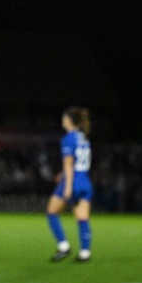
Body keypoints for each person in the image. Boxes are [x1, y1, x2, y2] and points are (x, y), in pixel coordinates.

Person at [46, 105, 93, 262]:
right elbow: (81, 163)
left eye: (65, 118)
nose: (63, 121)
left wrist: (67, 187)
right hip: (85, 182)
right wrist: (63, 174)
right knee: (82, 218)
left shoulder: (68, 139)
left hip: (73, 183)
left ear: (70, 121)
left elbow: (69, 163)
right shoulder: (84, 138)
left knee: (52, 212)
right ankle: (85, 252)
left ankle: (63, 246)